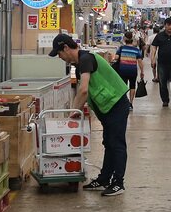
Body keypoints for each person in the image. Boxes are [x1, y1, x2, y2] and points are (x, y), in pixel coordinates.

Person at [51, 33, 130, 195]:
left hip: (117, 103)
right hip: (107, 106)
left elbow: (84, 90)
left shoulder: (85, 59)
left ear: (66, 48)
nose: (60, 57)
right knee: (108, 142)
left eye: (59, 53)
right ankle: (104, 179)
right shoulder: (80, 63)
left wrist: (72, 112)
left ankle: (118, 183)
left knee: (116, 143)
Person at [148, 16, 171, 107]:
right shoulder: (159, 36)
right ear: (165, 26)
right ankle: (165, 100)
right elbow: (153, 47)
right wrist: (152, 59)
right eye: (168, 25)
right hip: (162, 63)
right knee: (162, 82)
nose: (170, 27)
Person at [114, 31, 144, 100]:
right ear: (132, 39)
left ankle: (124, 101)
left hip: (123, 70)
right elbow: (140, 62)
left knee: (123, 86)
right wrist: (142, 72)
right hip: (133, 70)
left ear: (124, 39)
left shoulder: (121, 48)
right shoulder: (136, 50)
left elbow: (116, 58)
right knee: (132, 86)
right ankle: (131, 103)